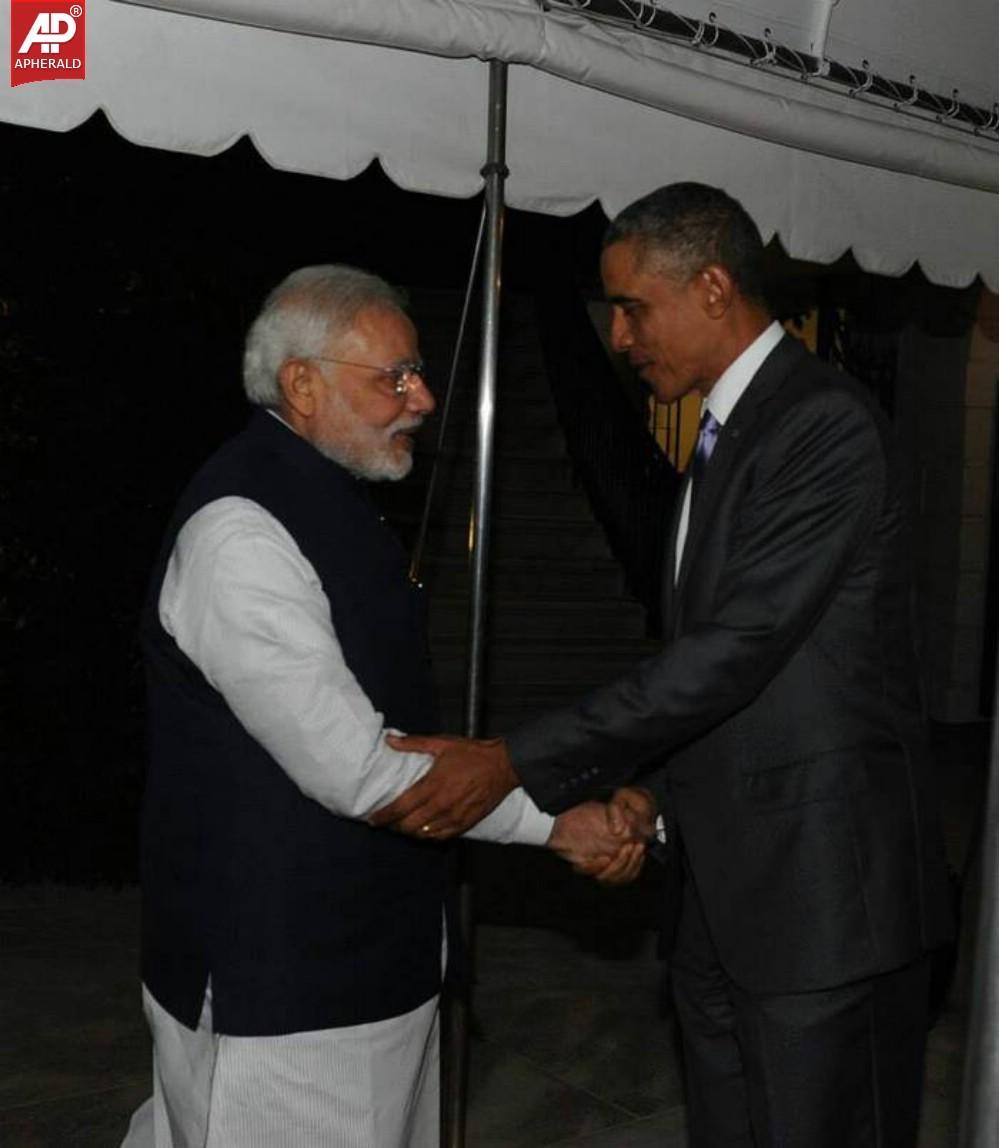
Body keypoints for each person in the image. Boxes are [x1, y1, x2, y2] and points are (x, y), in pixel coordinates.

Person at [374, 185, 955, 1146]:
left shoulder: (820, 424)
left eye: (634, 306)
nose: (618, 335)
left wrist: (513, 759)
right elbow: (724, 672)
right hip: (723, 897)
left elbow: (736, 652)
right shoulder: (724, 438)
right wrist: (654, 795)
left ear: (715, 287)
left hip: (821, 905)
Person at [121, 265, 645, 1148]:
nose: (423, 397)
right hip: (283, 987)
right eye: (392, 377)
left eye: (418, 372)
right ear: (302, 382)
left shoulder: (327, 497)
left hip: (361, 962)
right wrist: (553, 824)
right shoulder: (241, 534)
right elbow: (359, 770)